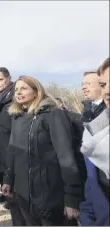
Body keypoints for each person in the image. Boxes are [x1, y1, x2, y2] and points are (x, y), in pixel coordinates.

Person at [2, 76, 83, 226]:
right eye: (16, 89)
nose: (18, 92)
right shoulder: (17, 118)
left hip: (50, 197)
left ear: (36, 92)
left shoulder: (53, 115)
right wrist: (8, 178)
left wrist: (72, 197)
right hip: (24, 197)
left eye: (24, 88)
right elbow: (12, 151)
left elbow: (66, 157)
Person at [0, 67, 26, 225]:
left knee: (19, 201)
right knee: (10, 193)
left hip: (16, 152)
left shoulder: (15, 98)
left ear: (8, 78)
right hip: (3, 149)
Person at [79, 57, 109, 226]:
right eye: (105, 85)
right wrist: (87, 214)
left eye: (88, 84)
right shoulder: (97, 123)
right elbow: (92, 176)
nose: (107, 91)